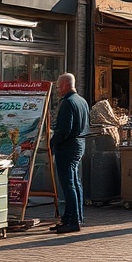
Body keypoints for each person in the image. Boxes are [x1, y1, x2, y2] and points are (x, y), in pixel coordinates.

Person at [49, 73, 90, 234]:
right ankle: (73, 217)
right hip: (79, 144)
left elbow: (64, 129)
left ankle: (73, 221)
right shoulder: (82, 101)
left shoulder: (68, 103)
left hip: (67, 146)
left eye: (59, 86)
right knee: (75, 182)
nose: (58, 89)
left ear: (66, 84)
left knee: (68, 184)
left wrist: (52, 142)